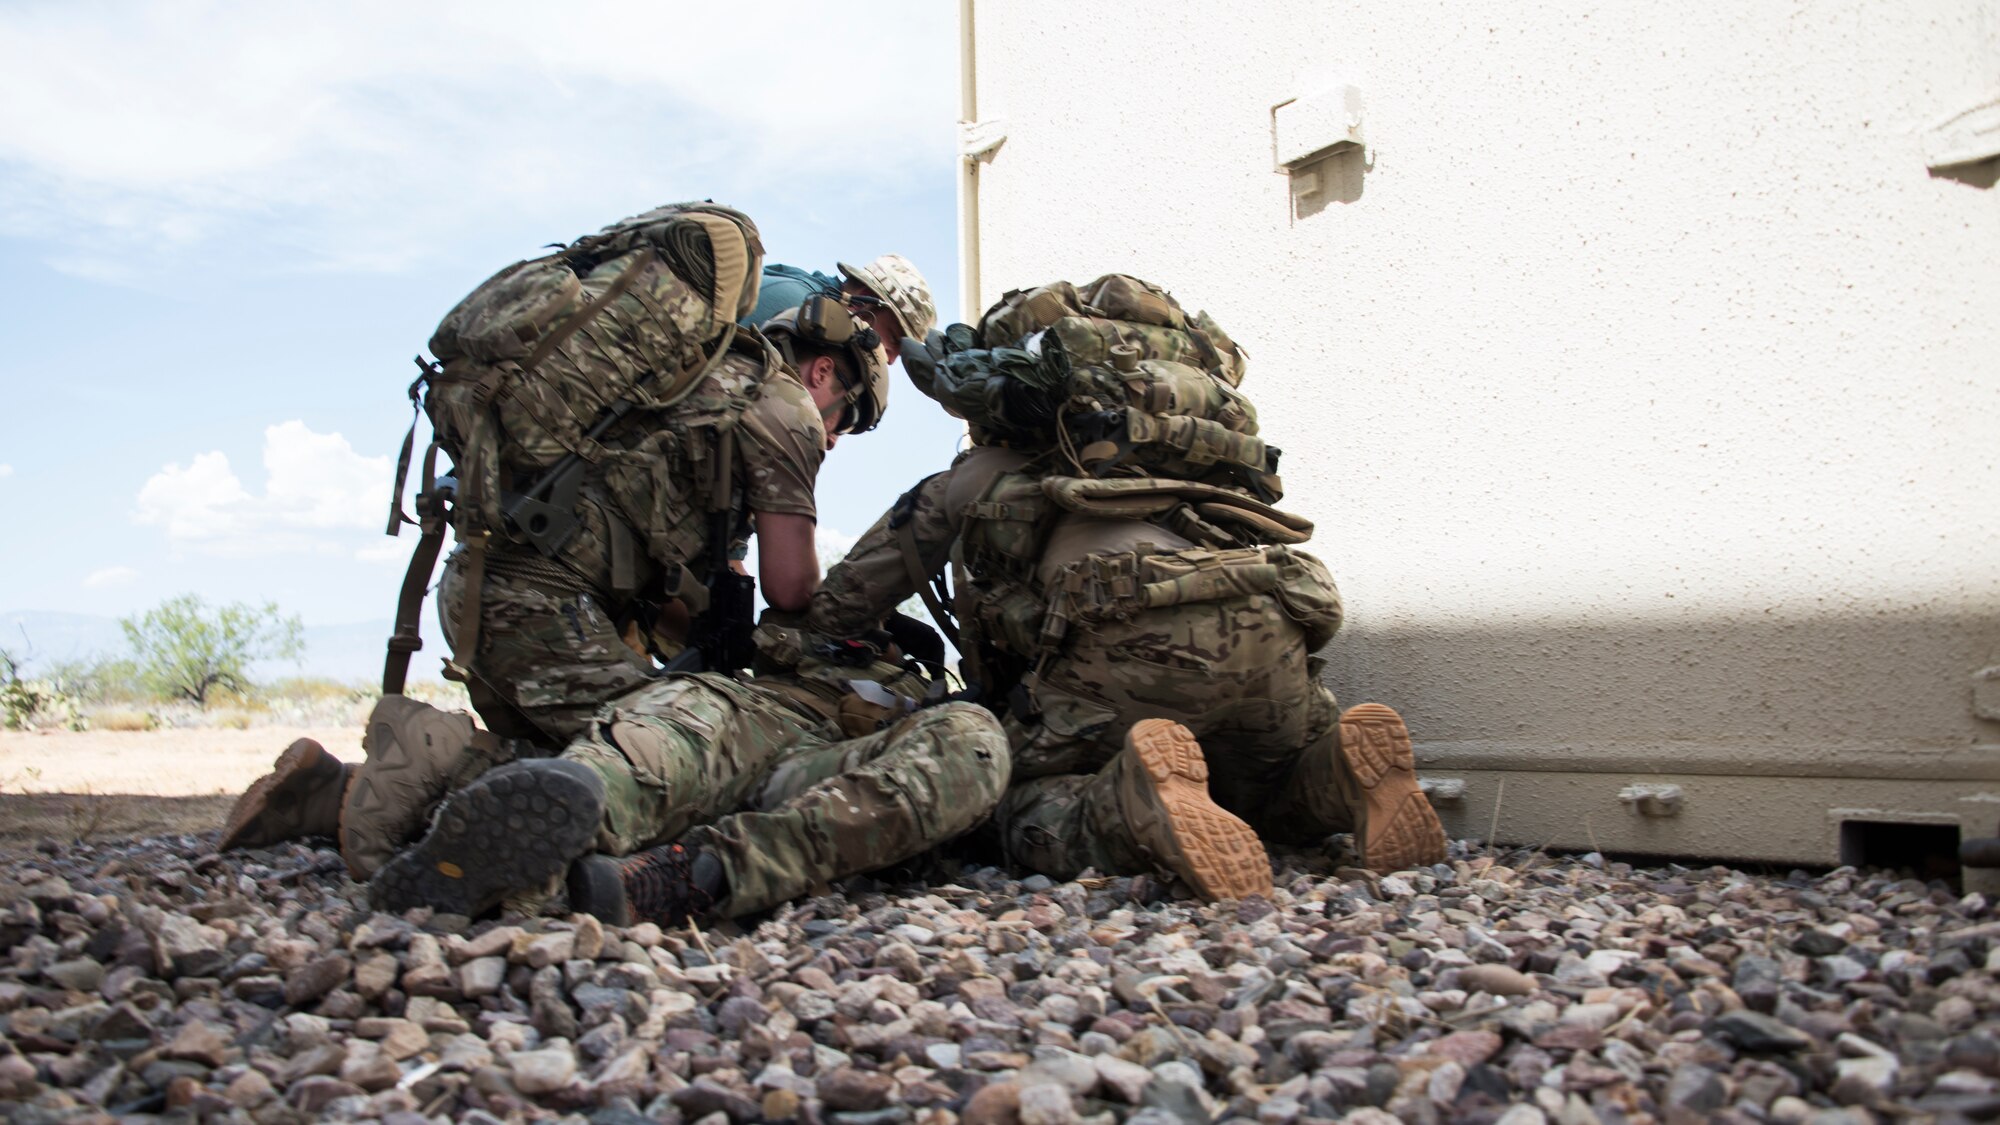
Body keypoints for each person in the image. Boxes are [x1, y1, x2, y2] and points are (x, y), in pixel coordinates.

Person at [221, 220, 896, 880]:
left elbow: (664, 560)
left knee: (563, 769)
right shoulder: (785, 412)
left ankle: (331, 793)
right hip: (546, 620)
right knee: (677, 768)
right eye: (847, 419)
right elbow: (790, 588)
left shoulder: (690, 379)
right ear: (825, 372)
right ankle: (438, 750)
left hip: (481, 595)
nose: (835, 439)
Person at [797, 278, 1448, 901]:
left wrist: (796, 638)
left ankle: (1130, 807)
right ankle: (1342, 775)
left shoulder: (965, 482)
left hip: (1127, 650)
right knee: (1262, 788)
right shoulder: (1184, 458)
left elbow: (841, 606)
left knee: (999, 799)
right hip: (1271, 633)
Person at [363, 647, 1010, 926]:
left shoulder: (938, 693)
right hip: (754, 713)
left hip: (829, 773)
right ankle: (516, 872)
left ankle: (691, 874)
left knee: (973, 741)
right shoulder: (808, 622)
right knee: (628, 766)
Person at [745, 254, 935, 367]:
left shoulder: (816, 322)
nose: (890, 360)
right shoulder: (796, 305)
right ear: (863, 300)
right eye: (893, 338)